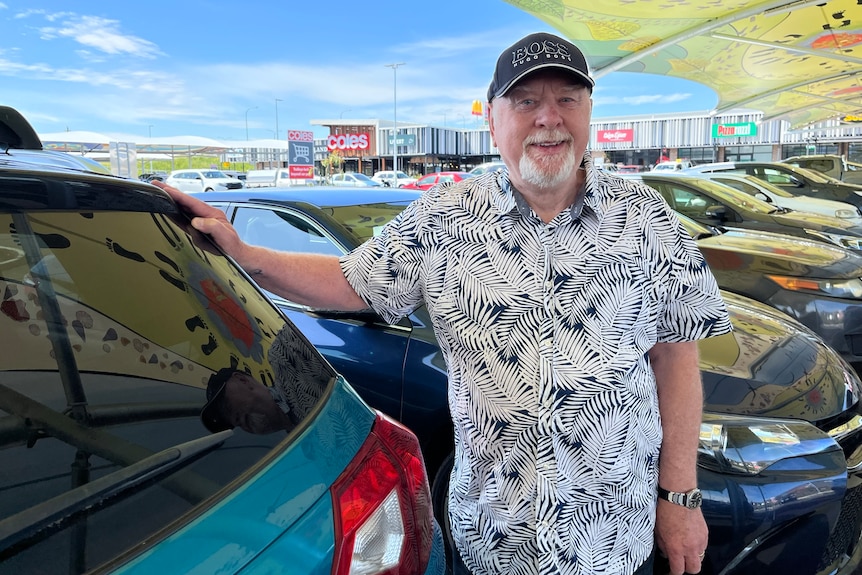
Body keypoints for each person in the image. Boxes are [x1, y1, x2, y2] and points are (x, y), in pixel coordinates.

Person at [156, 31, 731, 575]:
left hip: (612, 540)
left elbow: (677, 358)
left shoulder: (646, 218)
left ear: (588, 114)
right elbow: (354, 282)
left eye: (567, 97)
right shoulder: (447, 215)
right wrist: (249, 256)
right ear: (493, 120)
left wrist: (679, 496)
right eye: (525, 100)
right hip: (492, 540)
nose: (548, 116)